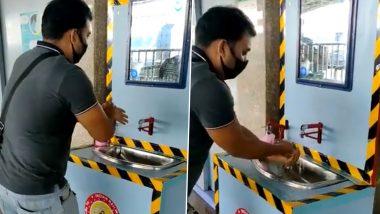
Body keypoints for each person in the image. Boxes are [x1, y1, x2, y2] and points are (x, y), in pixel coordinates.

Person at [0, 0, 128, 213]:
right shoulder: (69, 74)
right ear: (73, 35)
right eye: (87, 35)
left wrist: (98, 112)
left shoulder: (24, 60)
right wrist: (111, 114)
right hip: (39, 197)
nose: (86, 42)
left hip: (6, 187)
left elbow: (47, 114)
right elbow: (103, 133)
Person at [188, 6, 300, 198]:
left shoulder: (180, 65)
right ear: (222, 47)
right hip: (177, 187)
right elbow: (238, 145)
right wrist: (281, 147)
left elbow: (235, 130)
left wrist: (263, 149)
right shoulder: (208, 85)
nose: (244, 60)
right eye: (243, 52)